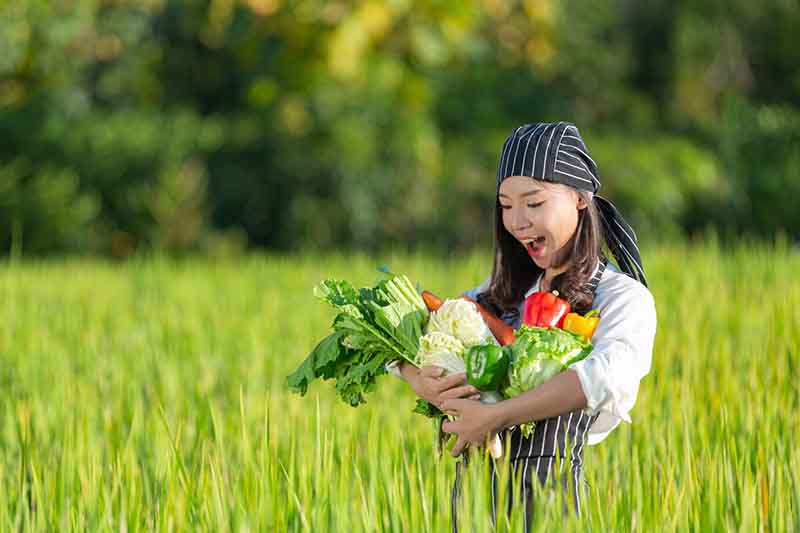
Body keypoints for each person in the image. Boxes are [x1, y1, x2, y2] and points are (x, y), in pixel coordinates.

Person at [387, 122, 658, 532]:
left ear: (581, 200)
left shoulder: (621, 298)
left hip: (552, 506)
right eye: (505, 205)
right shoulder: (499, 295)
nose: (517, 222)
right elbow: (415, 337)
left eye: (533, 203)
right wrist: (418, 379)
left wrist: (494, 418)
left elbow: (604, 378)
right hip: (473, 507)